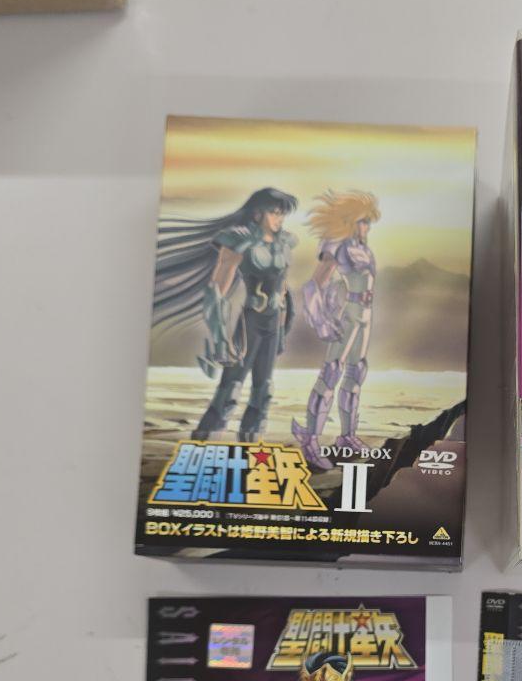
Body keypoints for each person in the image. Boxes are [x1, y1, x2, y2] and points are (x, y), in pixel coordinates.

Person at [152, 187, 299, 442]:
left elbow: (283, 288)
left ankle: (250, 449)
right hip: (250, 323)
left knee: (263, 392)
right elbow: (217, 291)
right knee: (230, 390)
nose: (280, 219)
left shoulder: (284, 242)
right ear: (258, 213)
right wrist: (220, 337)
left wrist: (284, 328)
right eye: (274, 212)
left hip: (273, 323)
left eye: (282, 213)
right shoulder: (239, 240)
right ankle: (201, 445)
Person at [292, 189, 381, 470]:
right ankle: (310, 439)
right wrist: (321, 319)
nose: (367, 227)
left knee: (357, 372)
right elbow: (314, 284)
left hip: (365, 315)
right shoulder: (337, 245)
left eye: (368, 222)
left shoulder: (363, 248)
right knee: (332, 371)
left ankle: (347, 436)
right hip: (350, 314)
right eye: (363, 221)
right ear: (350, 221)